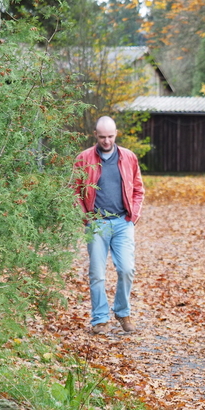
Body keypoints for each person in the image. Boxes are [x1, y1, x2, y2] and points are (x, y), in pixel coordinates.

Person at [74, 116, 145, 335]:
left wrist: (133, 216)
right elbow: (74, 191)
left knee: (126, 270)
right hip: (97, 224)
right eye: (102, 137)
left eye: (111, 136)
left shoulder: (128, 157)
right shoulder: (84, 158)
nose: (106, 141)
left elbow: (138, 189)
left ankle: (122, 312)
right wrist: (85, 217)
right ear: (95, 134)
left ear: (116, 134)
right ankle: (100, 320)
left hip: (123, 222)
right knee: (97, 274)